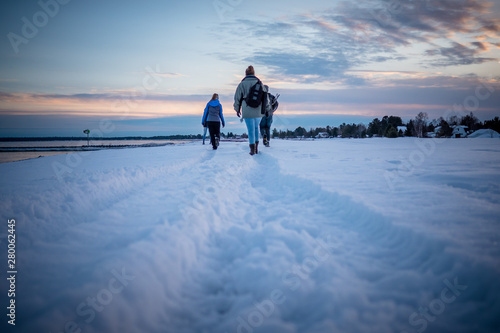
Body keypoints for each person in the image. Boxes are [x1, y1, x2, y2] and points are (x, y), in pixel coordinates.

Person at [233, 66, 267, 155]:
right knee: (256, 128)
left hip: (247, 109)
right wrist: (266, 109)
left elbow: (237, 98)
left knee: (250, 130)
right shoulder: (259, 83)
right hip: (258, 109)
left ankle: (252, 149)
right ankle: (256, 148)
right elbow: (265, 97)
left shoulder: (242, 84)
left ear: (246, 73)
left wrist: (237, 109)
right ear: (254, 73)